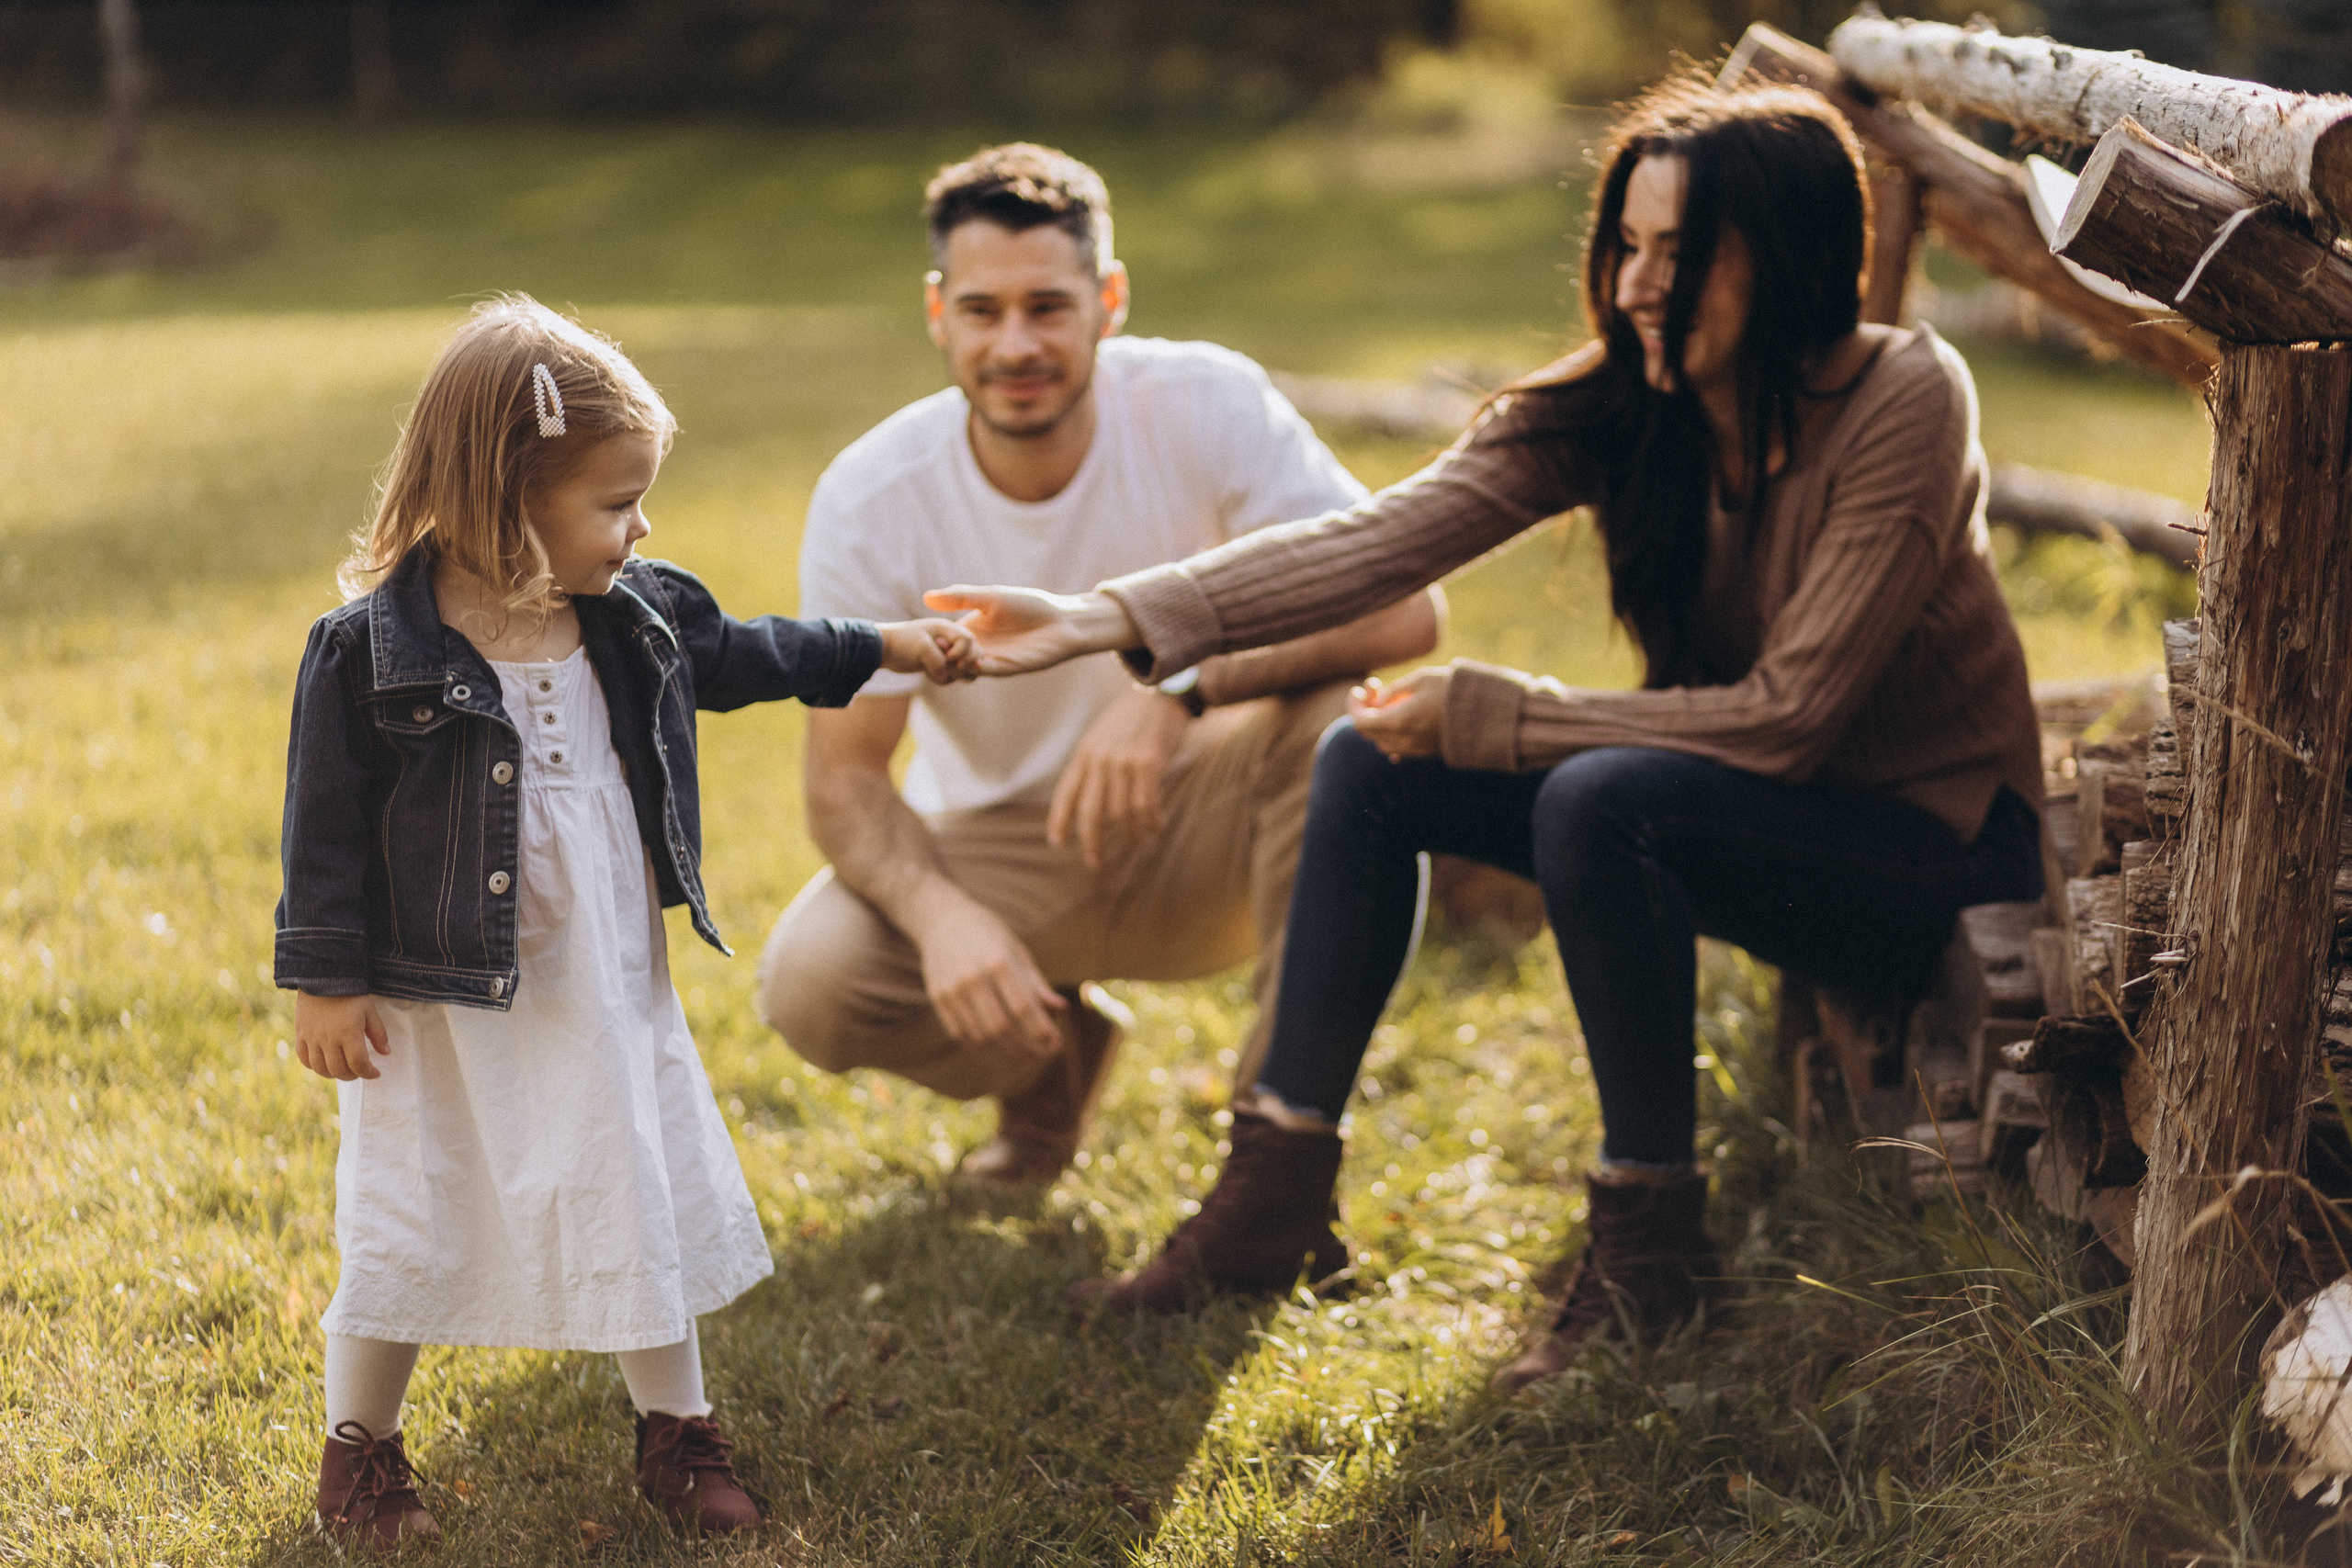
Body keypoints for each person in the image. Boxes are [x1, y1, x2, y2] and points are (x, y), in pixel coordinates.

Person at [931, 80, 2047, 1388]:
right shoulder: (1627, 400)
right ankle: (1276, 1192)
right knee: (1374, 755)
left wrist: (1498, 713)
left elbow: (1790, 718)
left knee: (1595, 795)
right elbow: (1376, 541)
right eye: (1625, 244)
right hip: (1745, 820)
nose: (1636, 283)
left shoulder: (1906, 395)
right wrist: (1102, 614)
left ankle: (1651, 1253)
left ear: (1788, 252)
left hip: (1928, 852)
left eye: (1682, 252)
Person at [274, 296, 977, 1547]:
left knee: (629, 1176)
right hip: (441, 993)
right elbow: (322, 829)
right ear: (502, 494)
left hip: (602, 975)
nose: (640, 524)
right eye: (614, 502)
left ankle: (677, 1426)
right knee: (412, 1199)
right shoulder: (365, 653)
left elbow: (760, 651)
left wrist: (894, 645)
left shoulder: (636, 611)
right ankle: (360, 1451)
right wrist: (324, 979)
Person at [760, 143, 1442, 1184]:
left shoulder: (1208, 402)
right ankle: (1050, 1068)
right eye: (984, 312)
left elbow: (1404, 608)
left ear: (1109, 299)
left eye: (1049, 306)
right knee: (813, 981)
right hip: (1009, 848)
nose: (1016, 343)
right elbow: (844, 779)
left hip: (1207, 815)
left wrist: (1179, 689)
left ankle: (1275, 1160)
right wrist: (945, 920)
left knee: (1348, 732)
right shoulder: (872, 495)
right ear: (938, 313)